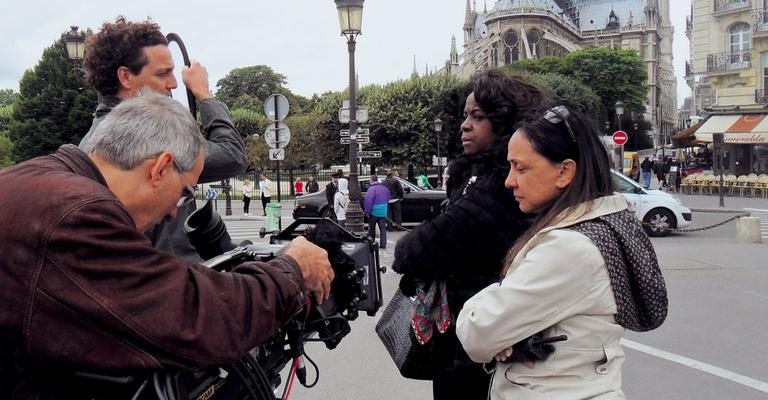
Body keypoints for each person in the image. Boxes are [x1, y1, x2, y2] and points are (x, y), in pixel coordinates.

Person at [0, 92, 335, 399]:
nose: (176, 209)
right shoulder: (77, 213)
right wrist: (293, 268)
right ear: (159, 168)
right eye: (186, 190)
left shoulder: (40, 177)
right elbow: (192, 318)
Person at [456, 105, 667, 400]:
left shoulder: (568, 248)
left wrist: (489, 305)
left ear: (565, 171)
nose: (509, 180)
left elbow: (476, 334)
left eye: (522, 167)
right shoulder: (601, 224)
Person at [392, 69, 536, 400]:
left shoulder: (501, 183)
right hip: (466, 331)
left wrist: (415, 261)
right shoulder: (474, 175)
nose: (465, 124)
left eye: (478, 116)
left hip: (482, 336)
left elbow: (428, 245)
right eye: (465, 115)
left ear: (503, 123)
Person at [78, 17, 246, 262]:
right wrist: (203, 94)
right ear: (125, 77)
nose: (174, 83)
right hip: (174, 281)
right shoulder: (149, 134)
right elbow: (232, 156)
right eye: (163, 73)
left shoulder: (90, 141)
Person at [363, 175, 390, 249]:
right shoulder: (385, 188)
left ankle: (371, 243)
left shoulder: (371, 189)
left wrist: (367, 212)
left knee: (372, 229)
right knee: (383, 229)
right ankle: (383, 244)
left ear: (371, 180)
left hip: (374, 212)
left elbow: (368, 201)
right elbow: (388, 197)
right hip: (383, 211)